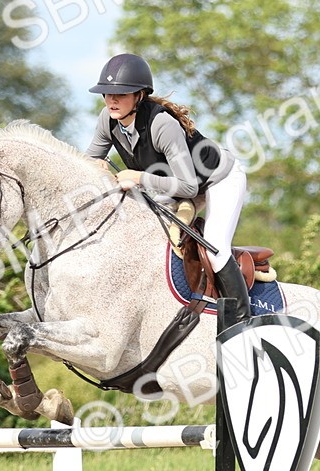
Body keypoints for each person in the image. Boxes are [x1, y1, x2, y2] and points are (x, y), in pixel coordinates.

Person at [86, 53, 251, 321]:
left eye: (121, 94)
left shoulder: (162, 124)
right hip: (174, 187)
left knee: (214, 247)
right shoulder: (108, 119)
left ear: (139, 95)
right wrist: (94, 166)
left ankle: (242, 322)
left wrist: (138, 178)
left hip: (218, 179)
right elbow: (91, 157)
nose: (112, 100)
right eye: (106, 94)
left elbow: (187, 186)